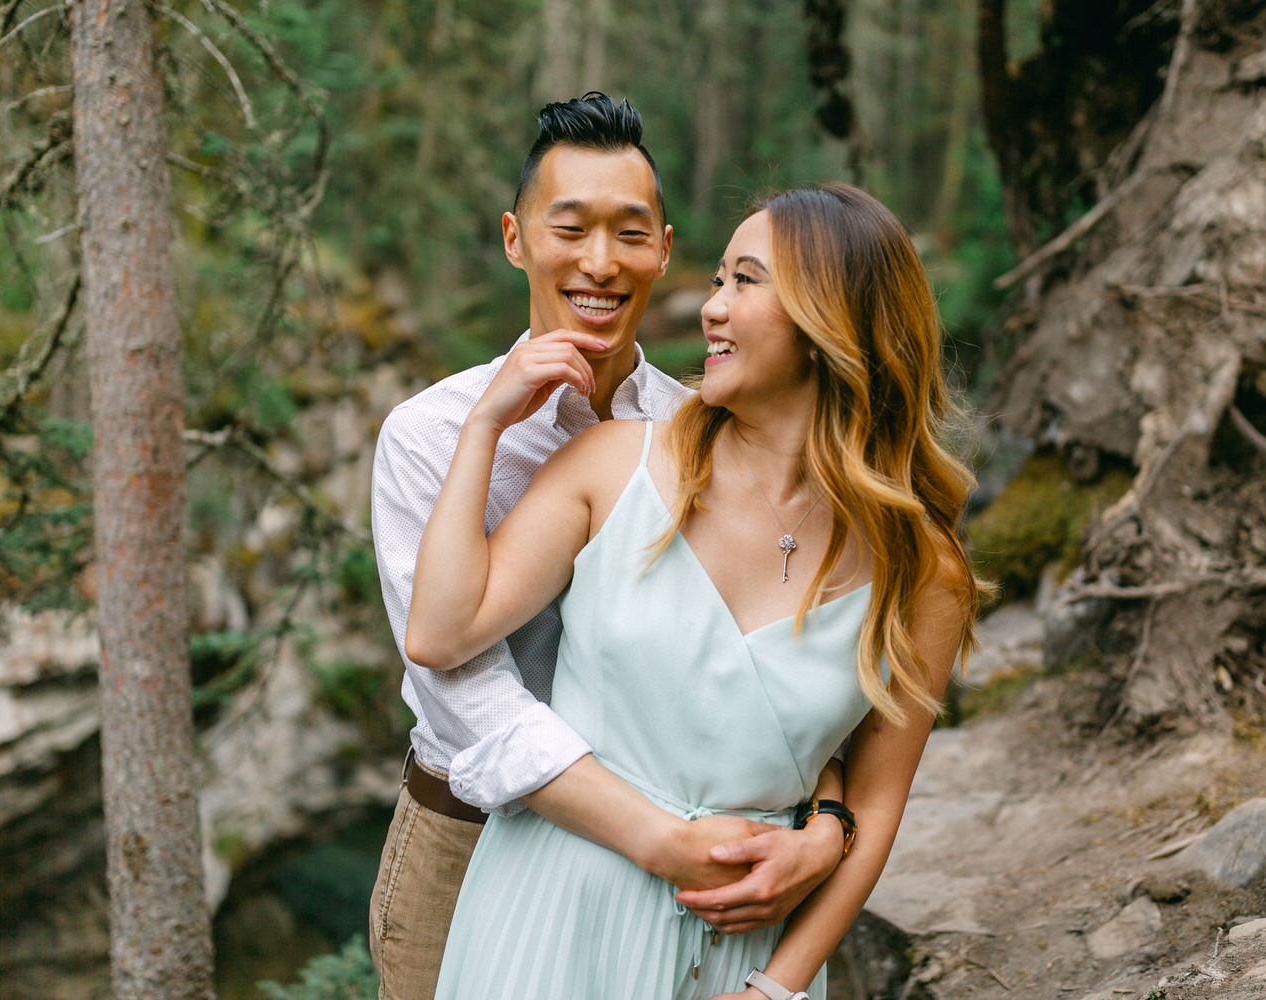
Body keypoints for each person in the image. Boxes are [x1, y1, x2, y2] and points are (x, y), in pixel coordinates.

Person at [408, 183, 987, 999]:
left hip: (740, 953)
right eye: (718, 279)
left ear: (832, 322)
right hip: (552, 920)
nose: (711, 309)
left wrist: (779, 988)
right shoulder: (614, 465)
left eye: (744, 282)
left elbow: (877, 804)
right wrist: (482, 429)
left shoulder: (923, 571)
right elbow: (440, 634)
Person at [367, 93, 849, 1000]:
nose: (600, 263)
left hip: (683, 857)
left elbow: (775, 644)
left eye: (630, 233)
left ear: (665, 251)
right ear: (515, 239)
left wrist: (826, 819)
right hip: (466, 837)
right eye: (569, 228)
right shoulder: (430, 434)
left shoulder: (700, 425)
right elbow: (465, 691)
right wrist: (654, 838)